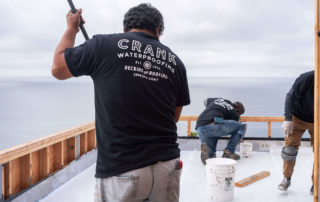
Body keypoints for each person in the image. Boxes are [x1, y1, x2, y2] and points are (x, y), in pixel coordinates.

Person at [51, 3, 190, 201]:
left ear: (125, 28)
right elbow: (174, 117)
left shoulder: (103, 45)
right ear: (158, 31)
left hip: (123, 167)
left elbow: (58, 67)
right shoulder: (176, 63)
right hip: (168, 164)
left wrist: (72, 28)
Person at [278, 70, 314, 194]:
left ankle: (316, 183)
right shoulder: (308, 77)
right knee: (290, 150)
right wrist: (288, 119)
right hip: (298, 117)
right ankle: (286, 178)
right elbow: (290, 96)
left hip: (318, 119)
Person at [195, 98, 246, 164]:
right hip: (213, 127)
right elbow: (234, 127)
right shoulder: (234, 113)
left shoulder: (221, 100)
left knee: (211, 157)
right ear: (237, 110)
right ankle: (229, 152)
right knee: (241, 126)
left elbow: (205, 101)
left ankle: (210, 155)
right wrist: (239, 137)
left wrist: (211, 112)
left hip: (200, 127)